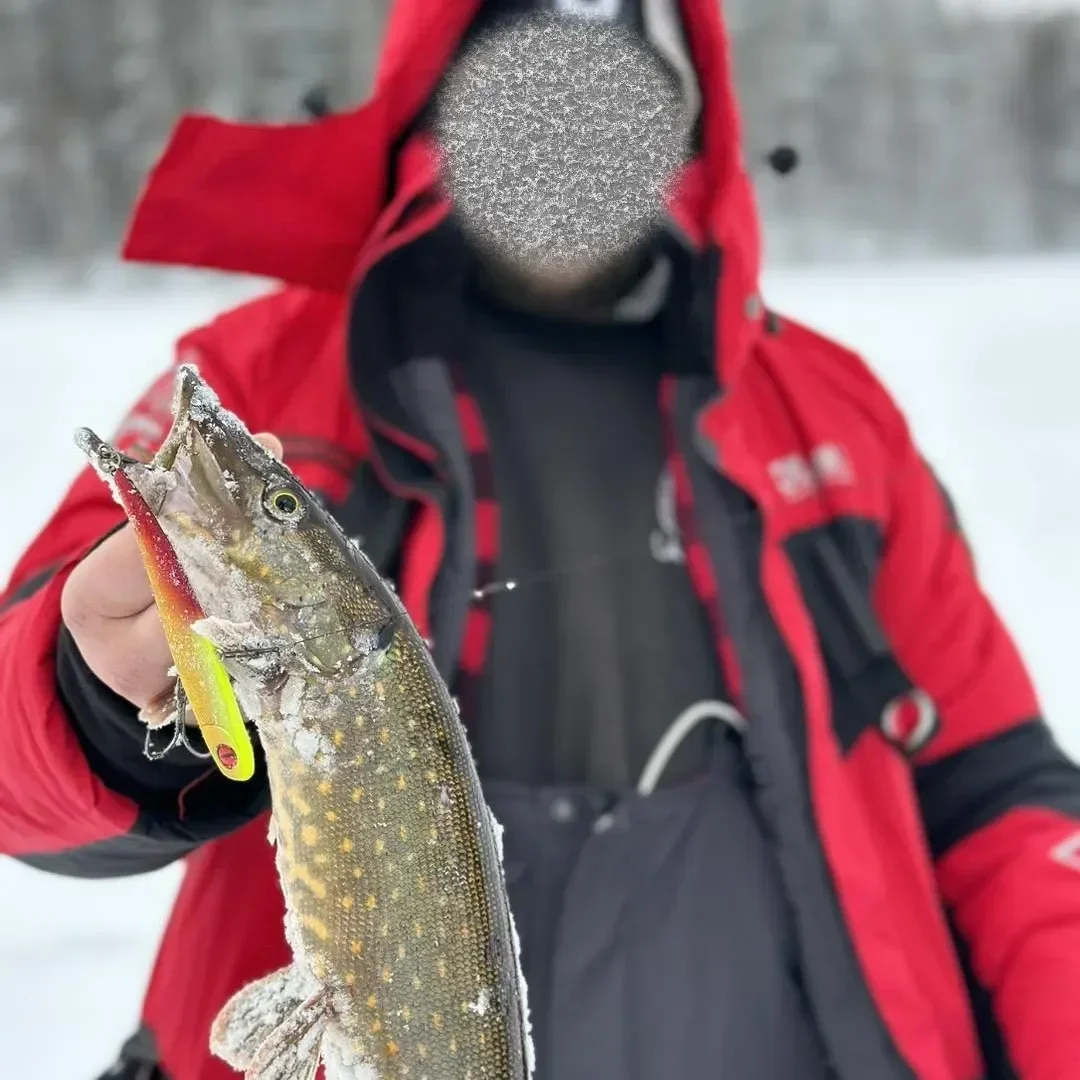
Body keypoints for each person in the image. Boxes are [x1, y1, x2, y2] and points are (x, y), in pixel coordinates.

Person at [3, 1, 1080, 1078]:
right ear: (444, 116)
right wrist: (102, 698)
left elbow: (999, 793)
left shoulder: (830, 411)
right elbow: (17, 763)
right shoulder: (265, 381)